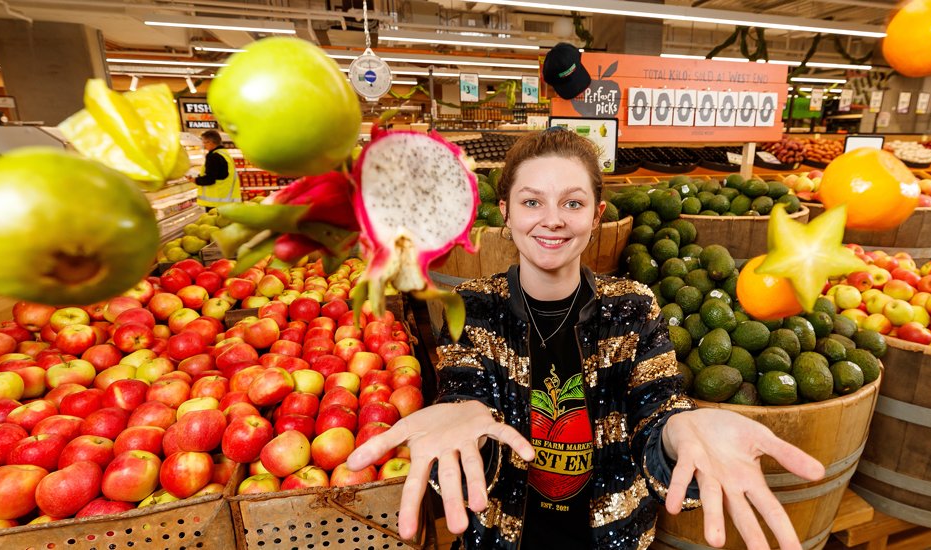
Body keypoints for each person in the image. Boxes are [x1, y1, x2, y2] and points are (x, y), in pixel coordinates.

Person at [346, 128, 824, 550]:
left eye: (572, 203)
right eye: (532, 201)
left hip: (612, 536)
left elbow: (656, 406)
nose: (552, 219)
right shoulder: (474, 305)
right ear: (506, 212)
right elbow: (466, 397)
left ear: (596, 215)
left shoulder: (632, 307)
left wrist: (680, 431)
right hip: (501, 536)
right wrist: (464, 415)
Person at [192, 130, 239, 207]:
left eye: (204, 142)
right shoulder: (225, 154)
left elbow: (210, 179)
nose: (204, 145)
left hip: (216, 203)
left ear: (210, 142)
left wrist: (195, 180)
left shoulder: (213, 156)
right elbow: (220, 174)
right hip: (227, 201)